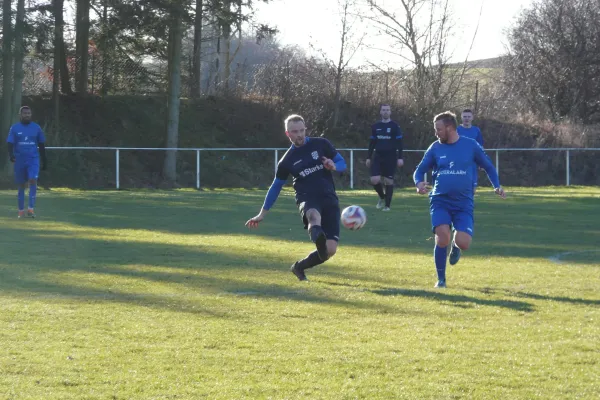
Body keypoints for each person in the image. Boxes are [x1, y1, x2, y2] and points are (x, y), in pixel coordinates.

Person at [245, 114, 347, 281]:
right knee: (314, 216)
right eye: (294, 131)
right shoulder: (287, 161)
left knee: (330, 250)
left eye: (301, 130)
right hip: (307, 197)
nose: (299, 134)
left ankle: (299, 267)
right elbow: (275, 187)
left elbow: (342, 163)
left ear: (305, 129)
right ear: (288, 134)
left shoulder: (321, 144)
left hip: (329, 197)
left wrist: (334, 166)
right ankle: (317, 238)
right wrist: (262, 214)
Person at [413, 111, 505, 288]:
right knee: (442, 237)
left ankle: (456, 246)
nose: (436, 133)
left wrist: (497, 185)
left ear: (449, 128)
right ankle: (441, 279)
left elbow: (488, 167)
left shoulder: (471, 146)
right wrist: (418, 184)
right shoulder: (435, 148)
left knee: (464, 243)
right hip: (440, 200)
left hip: (463, 202)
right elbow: (419, 169)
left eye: (438, 129)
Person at [6, 106, 47, 218]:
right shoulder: (14, 128)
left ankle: (31, 209)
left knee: (33, 179)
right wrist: (11, 156)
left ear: (31, 114)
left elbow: (41, 144)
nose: (27, 115)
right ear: (20, 114)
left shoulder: (36, 128)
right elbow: (10, 143)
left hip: (33, 159)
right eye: (25, 113)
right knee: (21, 185)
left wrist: (44, 160)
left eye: (28, 113)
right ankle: (20, 210)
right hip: (19, 160)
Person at [365, 104, 404, 211]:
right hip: (377, 156)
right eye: (383, 110)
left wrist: (400, 157)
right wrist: (368, 157)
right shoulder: (375, 126)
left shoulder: (395, 126)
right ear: (380, 112)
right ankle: (382, 197)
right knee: (374, 180)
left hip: (390, 156)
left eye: (387, 110)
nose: (385, 112)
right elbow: (372, 143)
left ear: (390, 112)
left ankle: (387, 206)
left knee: (388, 181)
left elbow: (400, 143)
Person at [456, 109, 484, 191]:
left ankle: (469, 203)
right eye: (464, 116)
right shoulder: (457, 130)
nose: (466, 118)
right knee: (459, 186)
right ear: (461, 117)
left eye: (468, 116)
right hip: (459, 162)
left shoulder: (476, 130)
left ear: (472, 118)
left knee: (472, 187)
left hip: (472, 162)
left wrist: (481, 162)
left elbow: (480, 146)